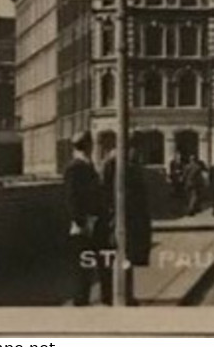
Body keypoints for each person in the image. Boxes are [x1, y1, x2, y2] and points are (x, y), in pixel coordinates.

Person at [97, 137, 153, 306]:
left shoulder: (123, 165)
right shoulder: (114, 165)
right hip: (119, 219)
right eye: (136, 151)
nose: (138, 155)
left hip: (126, 219)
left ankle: (124, 295)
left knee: (125, 258)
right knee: (118, 258)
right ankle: (116, 296)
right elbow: (105, 193)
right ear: (128, 148)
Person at [63, 130, 102, 306]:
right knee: (82, 264)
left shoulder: (85, 164)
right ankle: (80, 300)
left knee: (87, 263)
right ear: (87, 145)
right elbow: (71, 197)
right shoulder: (75, 167)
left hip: (90, 220)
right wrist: (80, 220)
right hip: (82, 224)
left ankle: (83, 298)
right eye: (90, 143)